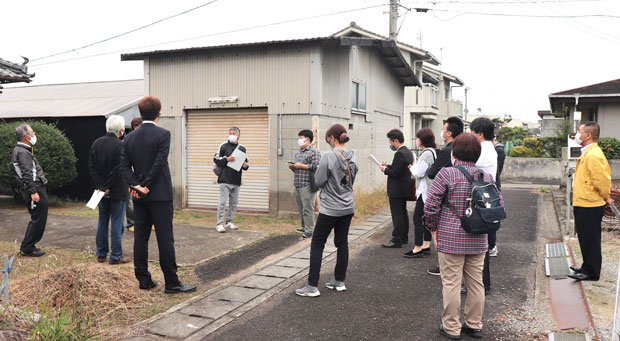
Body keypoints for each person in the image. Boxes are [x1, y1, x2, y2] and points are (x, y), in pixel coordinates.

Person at [424, 133, 503, 339]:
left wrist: (433, 229)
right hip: (478, 237)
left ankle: (451, 327)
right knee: (476, 283)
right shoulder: (486, 177)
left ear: (455, 152)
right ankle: (474, 324)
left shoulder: (446, 174)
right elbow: (498, 206)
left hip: (450, 238)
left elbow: (431, 206)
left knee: (451, 283)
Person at [120, 96, 196, 294]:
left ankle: (144, 280)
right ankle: (171, 283)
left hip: (139, 196)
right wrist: (145, 185)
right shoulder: (163, 134)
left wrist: (137, 185)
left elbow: (124, 166)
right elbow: (160, 162)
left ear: (140, 113)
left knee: (141, 237)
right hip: (160, 193)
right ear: (159, 114)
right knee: (165, 238)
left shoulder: (129, 137)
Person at [295, 124, 357, 297]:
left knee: (317, 244)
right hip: (348, 206)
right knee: (342, 242)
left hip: (330, 208)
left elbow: (319, 180)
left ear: (331, 138)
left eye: (327, 139)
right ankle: (339, 281)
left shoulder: (329, 155)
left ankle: (312, 286)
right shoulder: (353, 156)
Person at [569, 121, 612, 282]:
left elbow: (601, 179)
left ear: (587, 135)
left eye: (579, 131)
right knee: (586, 237)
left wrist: (605, 195)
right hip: (585, 202)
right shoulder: (589, 152)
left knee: (591, 238)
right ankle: (587, 266)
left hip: (590, 203)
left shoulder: (593, 154)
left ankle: (591, 272)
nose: (577, 134)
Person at [89, 116, 131, 265]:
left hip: (101, 191)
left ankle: (101, 253)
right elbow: (118, 169)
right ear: (121, 130)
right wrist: (107, 185)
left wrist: (101, 186)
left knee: (102, 221)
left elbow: (92, 167)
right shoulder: (120, 146)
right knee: (117, 222)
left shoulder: (96, 143)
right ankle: (116, 256)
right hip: (117, 189)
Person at [426, 116, 464, 276]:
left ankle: (444, 265)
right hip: (463, 196)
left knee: (446, 231)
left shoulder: (448, 150)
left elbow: (432, 172)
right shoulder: (463, 148)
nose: (441, 132)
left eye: (443, 130)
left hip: (448, 197)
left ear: (449, 133)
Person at [11, 124, 48, 257]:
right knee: (38, 218)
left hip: (33, 187)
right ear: (26, 137)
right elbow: (27, 174)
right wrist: (33, 192)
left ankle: (30, 245)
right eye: (32, 133)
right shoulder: (23, 152)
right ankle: (27, 247)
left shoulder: (22, 150)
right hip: (34, 188)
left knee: (37, 217)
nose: (34, 135)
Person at [404, 128, 437, 258]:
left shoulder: (427, 154)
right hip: (428, 190)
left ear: (422, 140)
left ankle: (418, 247)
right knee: (426, 219)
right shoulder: (432, 151)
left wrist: (411, 168)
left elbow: (419, 172)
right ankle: (426, 245)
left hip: (425, 191)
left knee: (418, 218)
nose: (417, 140)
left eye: (418, 138)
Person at [381, 129, 414, 248]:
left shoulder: (399, 153)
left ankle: (397, 239)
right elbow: (399, 168)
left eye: (391, 142)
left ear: (396, 141)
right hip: (404, 188)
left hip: (396, 189)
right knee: (403, 213)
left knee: (397, 215)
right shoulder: (408, 152)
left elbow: (395, 172)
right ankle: (403, 237)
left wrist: (384, 169)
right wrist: (389, 166)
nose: (391, 144)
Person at [213, 127, 249, 233]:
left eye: (233, 133)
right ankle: (219, 223)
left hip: (236, 180)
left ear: (238, 135)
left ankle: (229, 222)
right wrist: (226, 159)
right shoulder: (223, 145)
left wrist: (245, 165)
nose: (231, 135)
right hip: (224, 179)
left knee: (233, 203)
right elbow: (216, 159)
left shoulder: (242, 148)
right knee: (222, 202)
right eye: (230, 133)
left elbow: (246, 163)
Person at [289, 129, 321, 239]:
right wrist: (293, 167)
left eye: (300, 138)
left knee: (308, 208)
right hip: (298, 183)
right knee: (301, 207)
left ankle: (309, 230)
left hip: (308, 184)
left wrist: (301, 166)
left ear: (307, 139)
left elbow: (317, 167)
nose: (299, 140)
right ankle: (304, 226)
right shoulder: (298, 153)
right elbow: (299, 167)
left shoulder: (314, 152)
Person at [125, 117, 143, 232]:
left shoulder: (144, 139)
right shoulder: (128, 140)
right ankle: (131, 223)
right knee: (131, 201)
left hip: (142, 176)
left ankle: (145, 222)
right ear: (135, 126)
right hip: (131, 176)